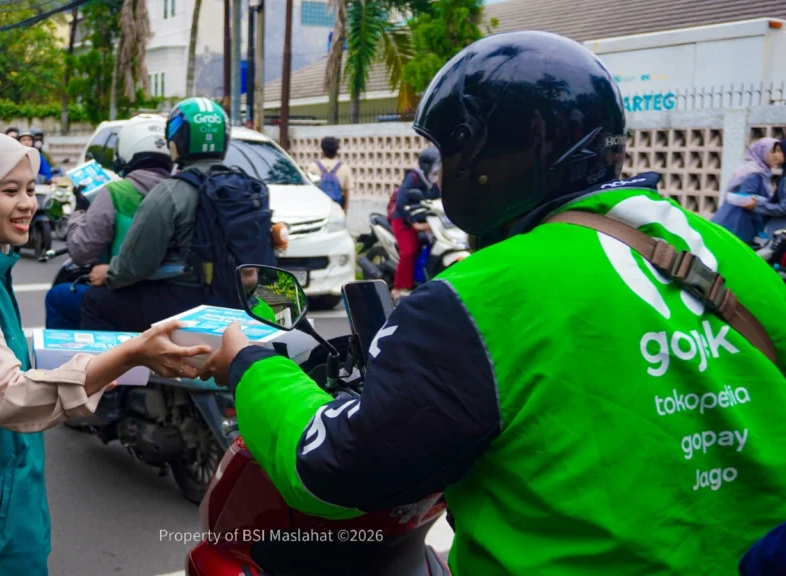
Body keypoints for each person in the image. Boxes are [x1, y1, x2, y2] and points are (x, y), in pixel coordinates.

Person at [201, 31, 786, 575]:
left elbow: (336, 470)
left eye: (450, 153)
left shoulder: (479, 297)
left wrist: (251, 367)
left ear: (490, 154)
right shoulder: (728, 255)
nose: (444, 174)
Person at [0, 127, 211, 574]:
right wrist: (130, 354)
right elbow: (10, 396)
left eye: (31, 189)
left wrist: (99, 364)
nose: (28, 205)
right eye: (9, 190)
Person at [78, 99, 228, 332]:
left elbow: (135, 264)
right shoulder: (250, 188)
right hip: (234, 299)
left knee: (94, 301)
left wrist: (109, 273)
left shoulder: (170, 192)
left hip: (186, 300)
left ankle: (100, 368)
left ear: (176, 144)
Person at [45, 114, 173, 330]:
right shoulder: (182, 189)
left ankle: (69, 363)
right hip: (173, 299)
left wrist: (80, 209)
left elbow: (81, 251)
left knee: (58, 298)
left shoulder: (115, 192)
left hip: (125, 298)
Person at [711, 138, 785, 245]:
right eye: (772, 151)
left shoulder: (762, 173)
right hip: (736, 225)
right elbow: (747, 200)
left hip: (741, 226)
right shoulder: (754, 173)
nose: (775, 155)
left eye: (778, 151)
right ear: (762, 152)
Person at [389, 147, 442, 299]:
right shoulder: (413, 177)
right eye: (435, 165)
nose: (437, 169)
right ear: (426, 166)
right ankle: (399, 288)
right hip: (404, 220)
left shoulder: (436, 180)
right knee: (410, 250)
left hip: (427, 221)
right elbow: (400, 202)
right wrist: (415, 224)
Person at [306, 136, 352, 211]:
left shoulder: (313, 167)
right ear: (336, 150)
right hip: (336, 210)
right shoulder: (344, 168)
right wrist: (344, 213)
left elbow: (309, 191)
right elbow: (346, 194)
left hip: (318, 209)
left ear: (322, 149)